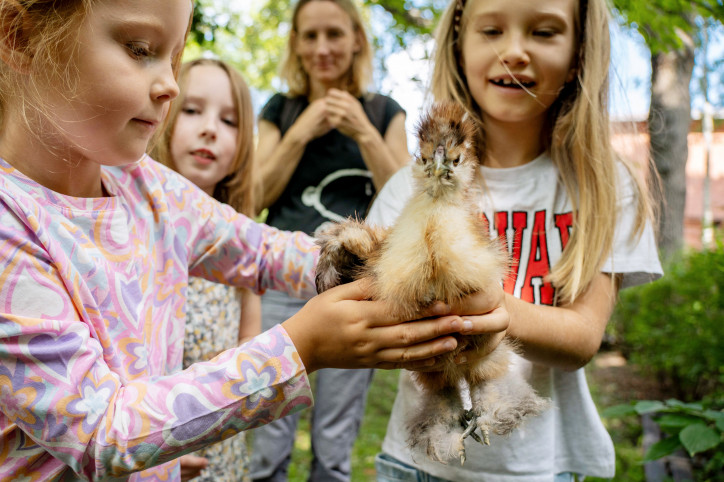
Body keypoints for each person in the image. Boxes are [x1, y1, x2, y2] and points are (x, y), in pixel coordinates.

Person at [0, 1, 493, 480]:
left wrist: (406, 257)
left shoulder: (146, 187)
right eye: (139, 48)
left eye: (174, 57)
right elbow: (100, 431)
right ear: (18, 37)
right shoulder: (10, 224)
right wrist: (301, 348)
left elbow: (263, 252)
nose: (170, 83)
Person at [368, 0, 663, 480]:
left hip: (540, 465)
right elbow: (380, 311)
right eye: (492, 30)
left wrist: (486, 306)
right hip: (417, 463)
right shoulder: (410, 186)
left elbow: (583, 338)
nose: (514, 52)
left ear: (578, 57)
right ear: (459, 44)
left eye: (544, 32)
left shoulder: (604, 184)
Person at [249, 1, 410, 481]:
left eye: (334, 35)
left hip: (355, 283)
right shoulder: (282, 110)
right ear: (296, 43)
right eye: (310, 36)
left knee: (335, 443)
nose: (322, 48)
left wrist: (363, 130)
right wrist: (298, 134)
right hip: (282, 279)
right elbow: (254, 195)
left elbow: (405, 200)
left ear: (357, 39)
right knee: (269, 437)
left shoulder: (385, 111)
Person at [152, 57, 262, 481]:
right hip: (152, 448)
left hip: (221, 447)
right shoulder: (140, 234)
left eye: (229, 120)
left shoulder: (245, 246)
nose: (209, 128)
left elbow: (249, 338)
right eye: (193, 110)